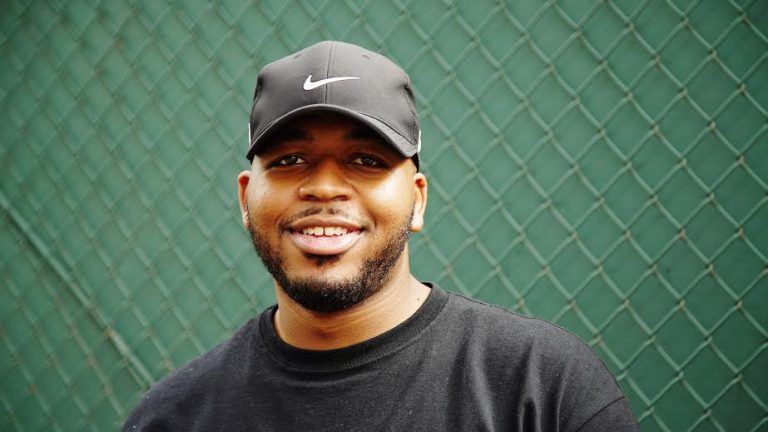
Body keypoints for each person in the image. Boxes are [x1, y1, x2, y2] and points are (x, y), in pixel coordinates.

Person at [122, 40, 639, 431]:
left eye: (366, 160)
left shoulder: (541, 387)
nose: (324, 186)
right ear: (244, 198)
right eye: (290, 159)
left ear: (417, 199)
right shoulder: (173, 417)